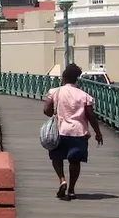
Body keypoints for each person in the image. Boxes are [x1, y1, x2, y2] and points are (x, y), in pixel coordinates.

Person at [43, 63, 103, 200]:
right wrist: (98, 133)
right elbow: (91, 116)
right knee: (75, 161)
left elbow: (46, 110)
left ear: (63, 78)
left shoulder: (55, 92)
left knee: (56, 157)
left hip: (59, 131)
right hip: (78, 133)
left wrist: (55, 113)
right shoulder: (84, 96)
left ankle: (62, 180)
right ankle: (71, 190)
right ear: (77, 79)